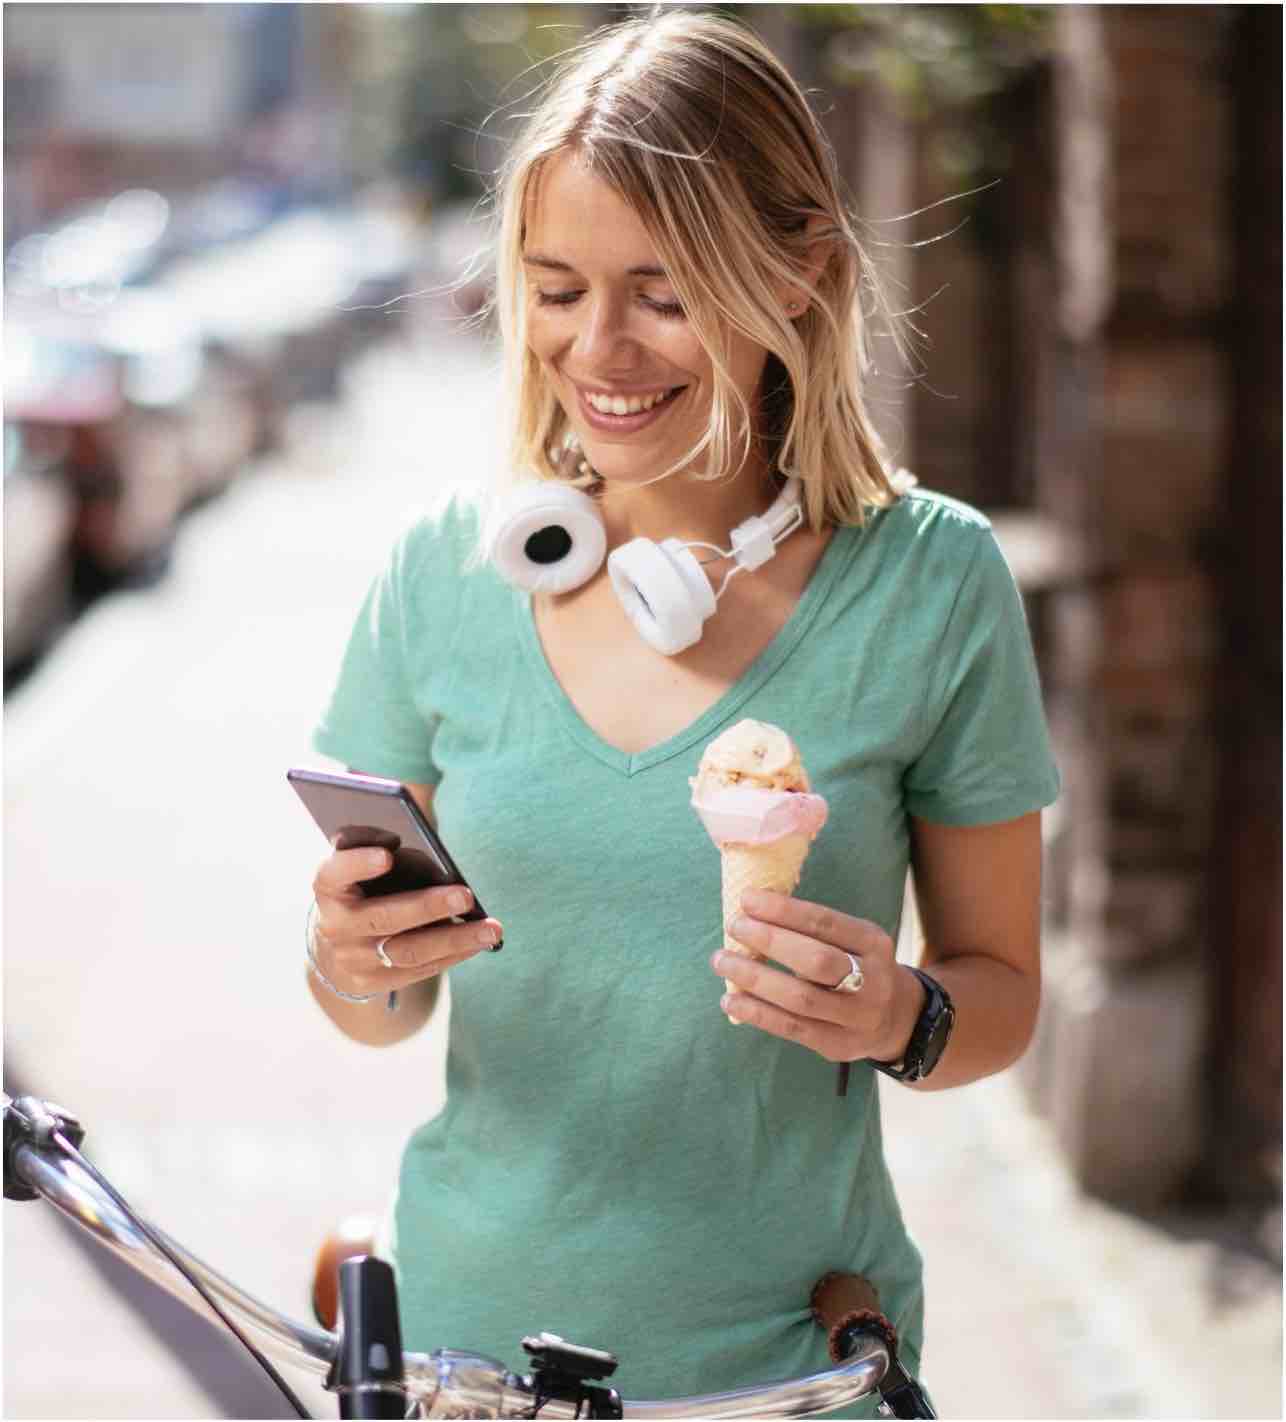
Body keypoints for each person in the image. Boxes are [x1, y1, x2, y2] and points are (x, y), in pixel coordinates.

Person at [305, 10, 1059, 1416]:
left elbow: (1002, 995)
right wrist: (350, 955)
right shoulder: (439, 571)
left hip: (791, 1363)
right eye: (555, 288)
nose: (600, 349)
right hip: (468, 1355)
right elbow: (377, 1006)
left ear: (796, 273)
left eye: (662, 291)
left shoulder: (933, 577)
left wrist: (901, 1012)